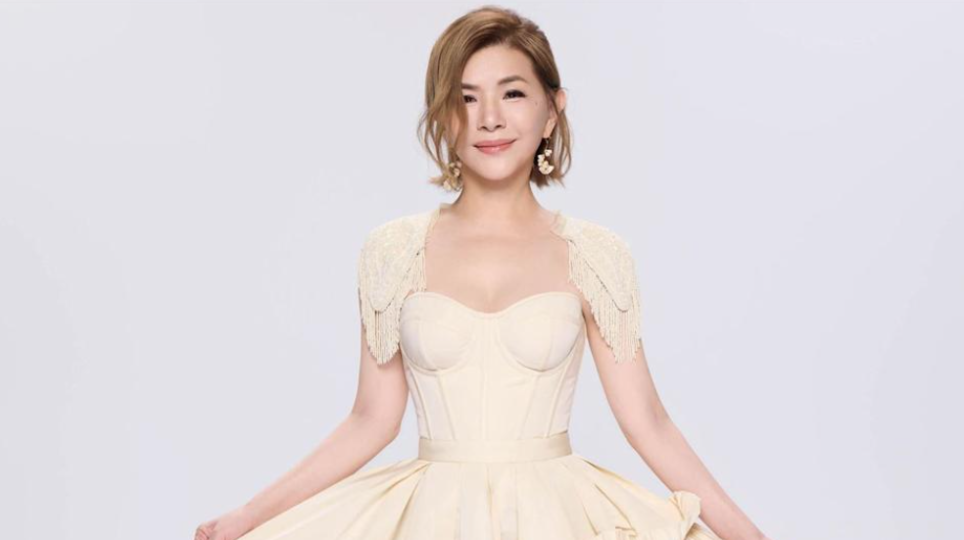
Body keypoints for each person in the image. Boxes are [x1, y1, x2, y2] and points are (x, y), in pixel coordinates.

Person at [195, 6, 771, 540]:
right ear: (443, 116)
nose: (489, 118)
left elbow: (649, 423)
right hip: (431, 518)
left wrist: (750, 536)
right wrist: (247, 517)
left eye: (512, 93)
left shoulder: (595, 254)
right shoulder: (394, 251)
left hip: (558, 516)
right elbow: (370, 419)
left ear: (552, 110)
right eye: (465, 98)